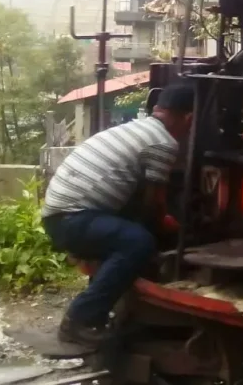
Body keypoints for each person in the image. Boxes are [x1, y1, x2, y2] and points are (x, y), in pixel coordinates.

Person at [41, 82, 195, 347]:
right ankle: (78, 320)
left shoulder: (134, 128)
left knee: (131, 235)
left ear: (157, 109)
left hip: (59, 215)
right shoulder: (164, 143)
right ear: (188, 118)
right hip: (73, 219)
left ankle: (105, 310)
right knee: (138, 241)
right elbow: (154, 203)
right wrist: (174, 229)